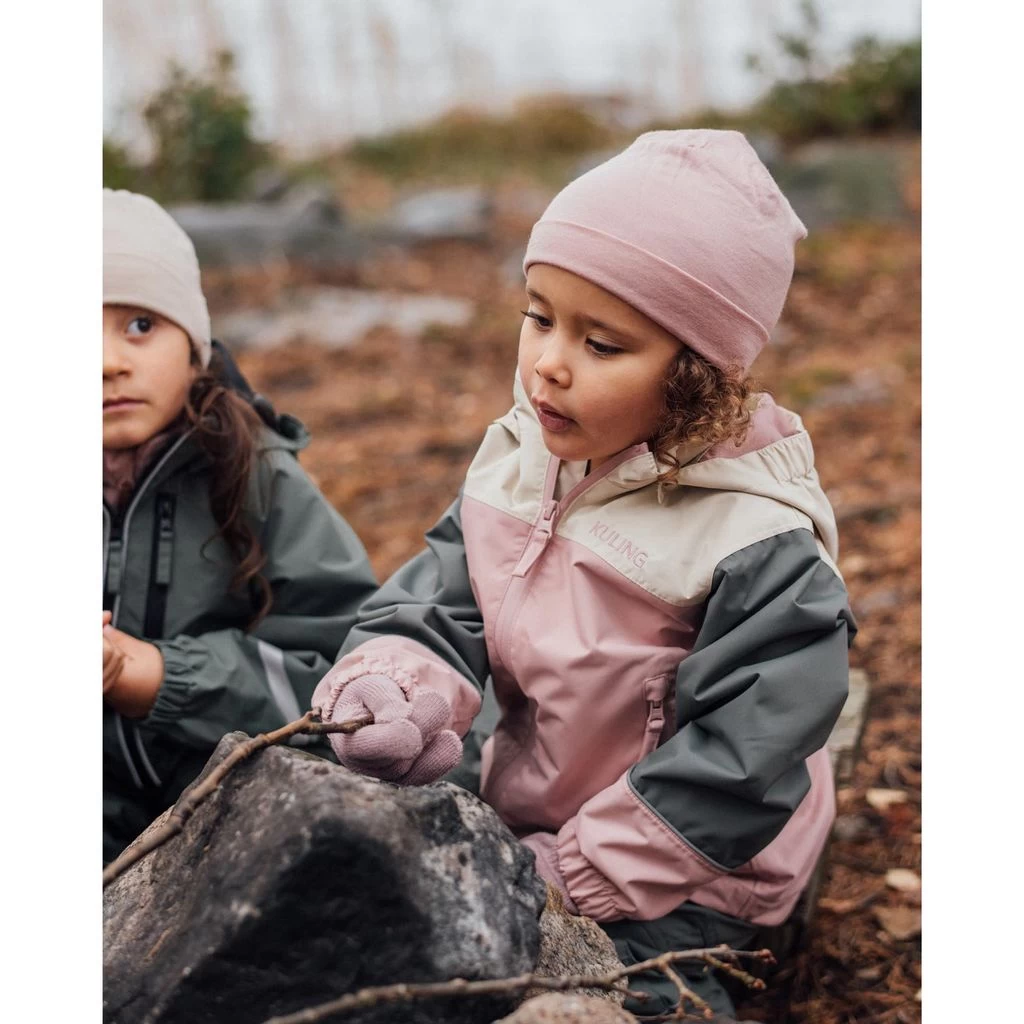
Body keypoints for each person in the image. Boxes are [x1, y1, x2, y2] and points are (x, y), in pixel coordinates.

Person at [310, 131, 855, 1021]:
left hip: (690, 868)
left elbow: (743, 761)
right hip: (539, 818)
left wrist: (578, 871)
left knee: (621, 992)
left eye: (601, 343)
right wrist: (399, 688)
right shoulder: (524, 459)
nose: (549, 363)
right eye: (539, 317)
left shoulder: (754, 541)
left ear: (698, 376)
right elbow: (440, 599)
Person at [102, 188, 378, 865]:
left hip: (228, 826)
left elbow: (347, 685)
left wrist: (159, 676)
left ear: (195, 349)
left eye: (140, 324)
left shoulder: (258, 475)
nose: (108, 362)